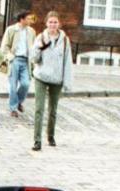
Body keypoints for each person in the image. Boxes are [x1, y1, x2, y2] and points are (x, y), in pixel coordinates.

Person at [30, 10, 73, 151]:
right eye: (50, 22)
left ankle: (51, 135)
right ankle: (37, 140)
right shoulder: (40, 37)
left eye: (55, 22)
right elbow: (34, 59)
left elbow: (67, 63)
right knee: (39, 109)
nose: (53, 25)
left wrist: (67, 82)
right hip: (41, 76)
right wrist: (39, 48)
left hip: (56, 79)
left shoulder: (65, 41)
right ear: (46, 23)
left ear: (59, 23)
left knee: (53, 110)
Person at [0, 10, 36, 119]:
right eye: (29, 18)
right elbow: (4, 46)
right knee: (13, 86)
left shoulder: (32, 31)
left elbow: (33, 47)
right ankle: (13, 108)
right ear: (22, 19)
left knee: (25, 84)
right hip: (14, 60)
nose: (31, 20)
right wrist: (10, 57)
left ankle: (19, 101)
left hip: (26, 61)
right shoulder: (11, 30)